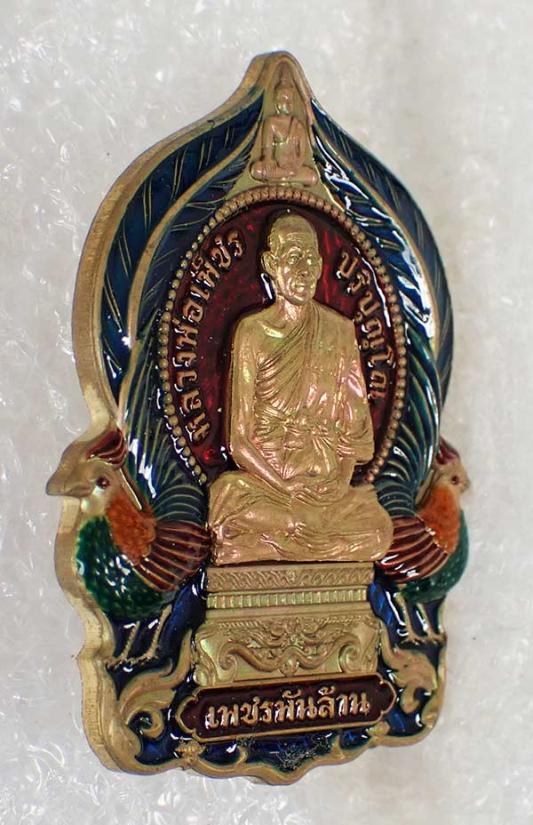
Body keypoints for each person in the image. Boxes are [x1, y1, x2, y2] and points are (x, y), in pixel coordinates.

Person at [208, 212, 393, 564]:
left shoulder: (339, 331)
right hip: (270, 487)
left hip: (327, 491)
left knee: (379, 528)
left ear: (321, 265)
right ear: (270, 265)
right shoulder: (253, 333)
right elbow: (239, 442)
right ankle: (299, 532)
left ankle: (268, 543)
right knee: (226, 498)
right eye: (294, 258)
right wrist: (286, 489)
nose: (304, 269)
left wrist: (335, 486)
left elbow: (357, 438)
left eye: (310, 259)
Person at [250, 70, 318, 186]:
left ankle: (280, 178)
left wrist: (295, 166)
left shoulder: (298, 126)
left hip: (293, 169)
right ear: (277, 101)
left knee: (312, 177)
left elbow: (302, 153)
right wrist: (268, 160)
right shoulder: (271, 123)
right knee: (256, 170)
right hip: (276, 168)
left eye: (290, 100)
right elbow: (267, 150)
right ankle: (285, 177)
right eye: (284, 100)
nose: (288, 104)